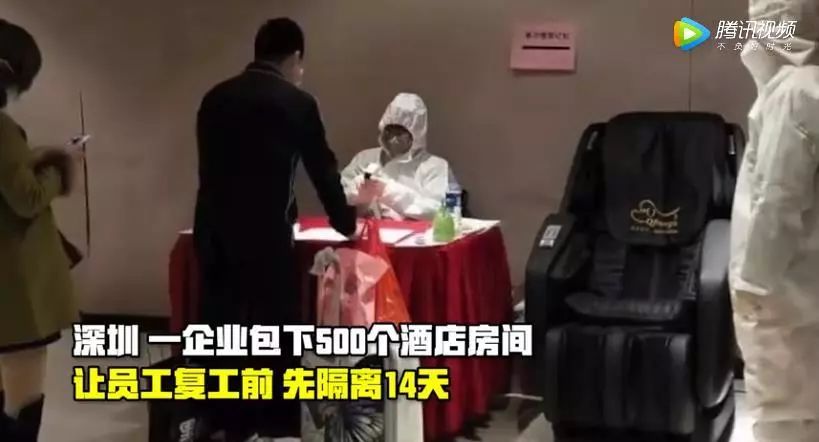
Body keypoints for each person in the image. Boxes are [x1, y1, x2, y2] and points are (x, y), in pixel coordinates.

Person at [193, 17, 357, 440]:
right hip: (266, 234)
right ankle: (270, 421)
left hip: (212, 231)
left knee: (221, 328)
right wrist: (346, 223)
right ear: (295, 57)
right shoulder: (297, 103)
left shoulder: (215, 98)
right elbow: (323, 171)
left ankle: (219, 419)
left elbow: (208, 172)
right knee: (273, 331)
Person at [730, 0, 819, 440]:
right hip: (803, 287)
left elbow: (775, 201)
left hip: (781, 295)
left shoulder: (793, 93)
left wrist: (752, 289)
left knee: (785, 418)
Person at [0, 19, 81, 441]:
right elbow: (26, 198)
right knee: (24, 392)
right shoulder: (1, 129)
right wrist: (60, 167)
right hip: (15, 283)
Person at [341, 93, 456, 220]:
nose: (393, 139)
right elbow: (337, 196)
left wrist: (390, 192)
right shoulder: (364, 159)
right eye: (389, 131)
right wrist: (356, 194)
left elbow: (440, 211)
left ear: (416, 135)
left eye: (400, 133)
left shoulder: (435, 167)